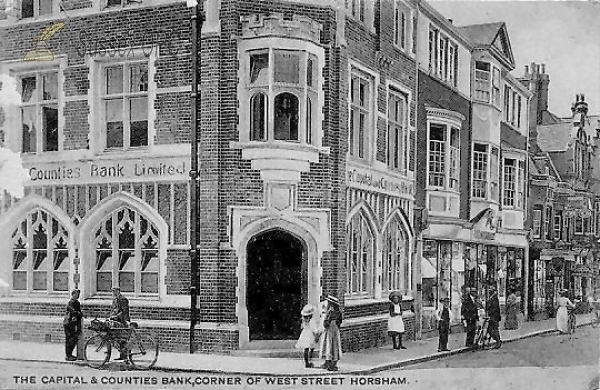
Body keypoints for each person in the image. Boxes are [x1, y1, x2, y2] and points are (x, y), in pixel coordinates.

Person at [319, 295, 343, 371]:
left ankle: (329, 363)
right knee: (334, 346)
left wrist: (326, 324)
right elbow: (340, 321)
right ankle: (332, 362)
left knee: (329, 345)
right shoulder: (338, 312)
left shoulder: (330, 312)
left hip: (330, 330)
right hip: (335, 330)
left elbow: (326, 321)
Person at [295, 304, 321, 368]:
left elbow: (302, 327)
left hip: (305, 334)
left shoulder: (304, 321)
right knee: (311, 348)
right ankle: (309, 360)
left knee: (306, 348)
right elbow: (314, 330)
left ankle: (307, 362)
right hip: (310, 335)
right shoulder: (312, 321)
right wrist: (316, 336)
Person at [110, 285, 130, 360]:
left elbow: (123, 312)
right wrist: (111, 317)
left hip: (123, 321)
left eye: (115, 291)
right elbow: (113, 310)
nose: (113, 293)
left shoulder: (123, 299)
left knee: (123, 338)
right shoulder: (115, 300)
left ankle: (125, 356)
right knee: (117, 338)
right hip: (116, 321)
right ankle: (122, 355)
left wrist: (116, 317)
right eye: (112, 291)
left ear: (118, 291)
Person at [63, 289, 83, 361]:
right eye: (76, 294)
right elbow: (74, 312)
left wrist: (79, 314)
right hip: (69, 324)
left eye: (78, 295)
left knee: (73, 339)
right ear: (73, 294)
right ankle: (68, 355)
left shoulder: (77, 303)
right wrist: (79, 313)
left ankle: (70, 354)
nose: (77, 296)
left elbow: (79, 313)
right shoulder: (70, 303)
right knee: (69, 340)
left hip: (74, 324)